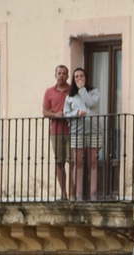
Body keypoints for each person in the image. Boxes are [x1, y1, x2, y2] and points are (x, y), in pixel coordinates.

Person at [64, 68, 101, 201]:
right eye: (76, 77)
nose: (79, 78)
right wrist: (76, 113)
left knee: (93, 162)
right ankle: (79, 195)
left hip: (93, 131)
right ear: (73, 80)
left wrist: (82, 89)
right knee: (78, 162)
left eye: (81, 76)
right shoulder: (70, 97)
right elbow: (66, 115)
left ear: (86, 78)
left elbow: (91, 103)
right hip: (77, 132)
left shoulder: (94, 92)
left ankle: (93, 194)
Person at [42, 65, 72, 200]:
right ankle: (63, 193)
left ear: (67, 76)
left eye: (64, 73)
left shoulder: (72, 90)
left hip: (72, 130)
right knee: (59, 162)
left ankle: (73, 193)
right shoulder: (49, 92)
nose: (61, 75)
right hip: (56, 131)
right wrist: (56, 115)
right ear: (55, 75)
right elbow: (45, 112)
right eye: (59, 73)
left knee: (73, 162)